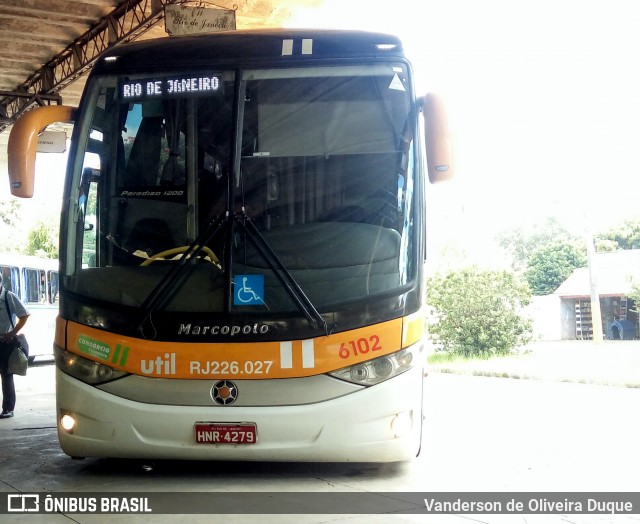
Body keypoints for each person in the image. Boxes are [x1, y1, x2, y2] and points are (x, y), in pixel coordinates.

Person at [0, 274, 30, 419]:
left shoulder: (8, 297)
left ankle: (7, 409)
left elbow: (24, 315)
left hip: (5, 342)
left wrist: (12, 333)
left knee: (6, 376)